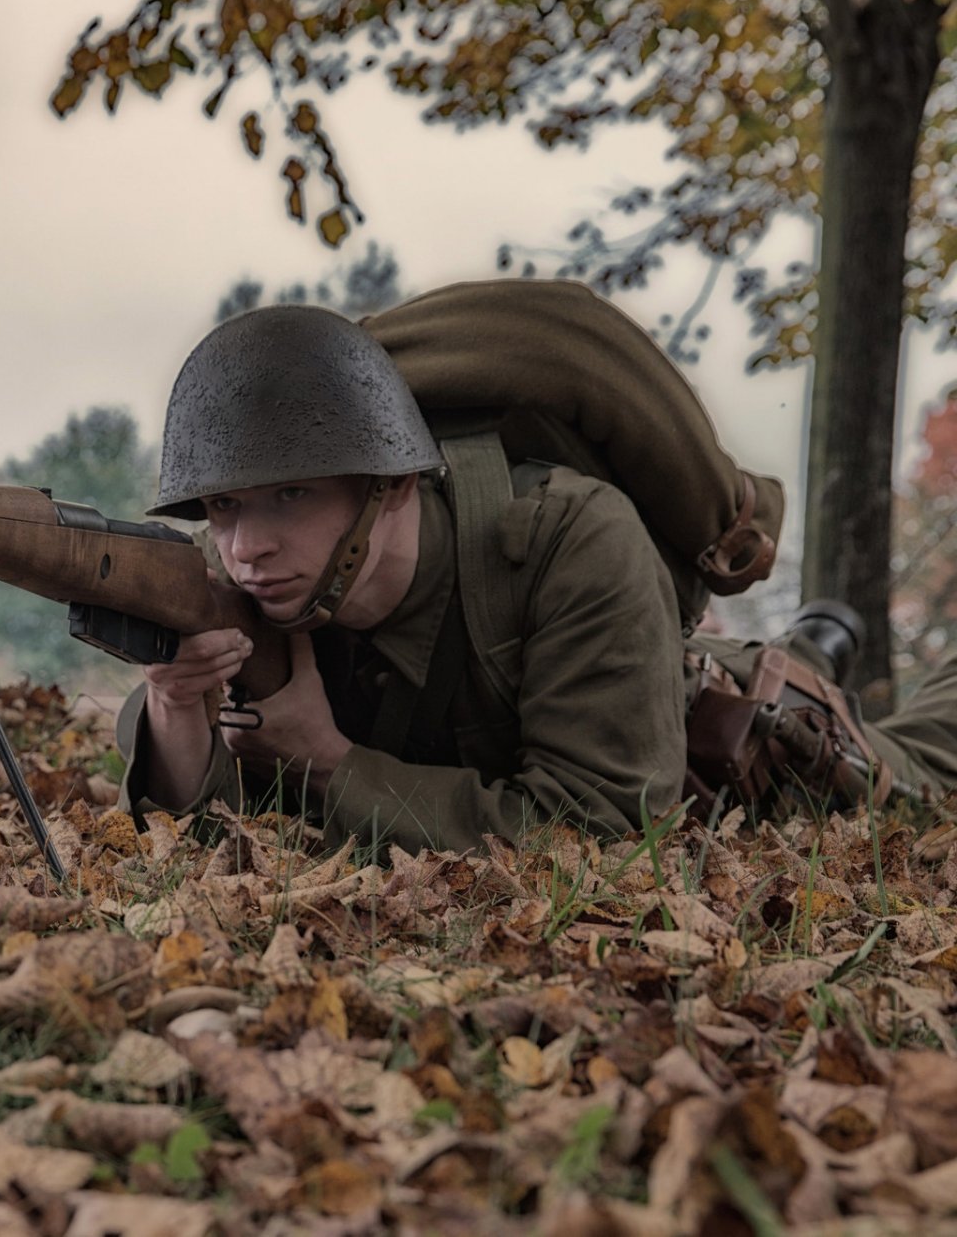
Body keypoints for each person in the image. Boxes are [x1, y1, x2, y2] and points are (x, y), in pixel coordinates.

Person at [115, 299, 955, 852]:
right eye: (221, 508)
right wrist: (174, 708)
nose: (243, 547)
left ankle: (818, 651)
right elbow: (213, 824)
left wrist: (329, 762)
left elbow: (608, 840)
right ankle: (821, 637)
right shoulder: (253, 579)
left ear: (393, 483)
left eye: (289, 496)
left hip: (753, 747)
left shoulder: (568, 539)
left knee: (934, 765)